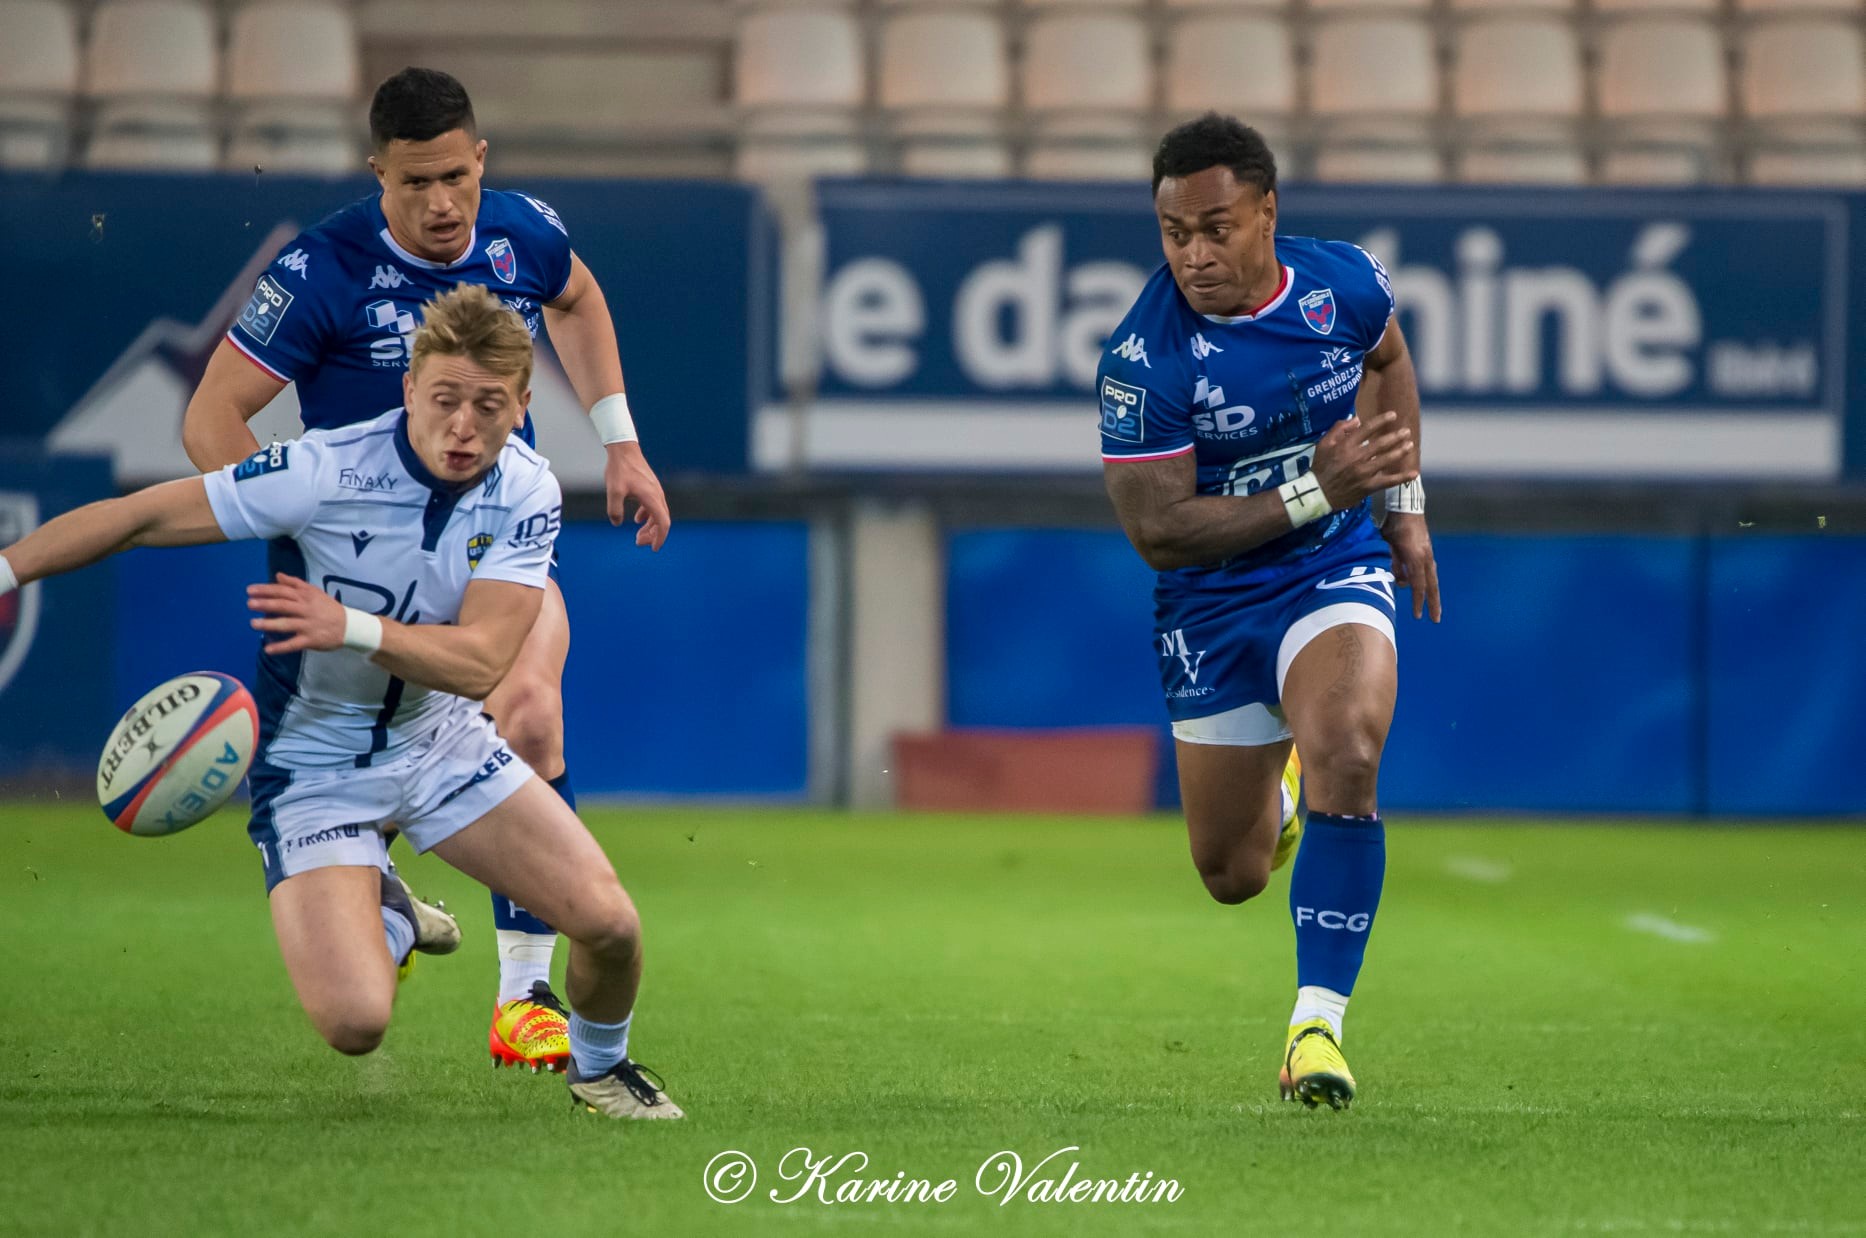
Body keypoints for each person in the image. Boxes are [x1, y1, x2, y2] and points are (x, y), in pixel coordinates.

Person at [1, 287, 681, 1119]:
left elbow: (481, 665)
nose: (463, 427)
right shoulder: (319, 470)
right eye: (445, 400)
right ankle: (389, 910)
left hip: (441, 743)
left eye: (488, 406)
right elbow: (137, 518)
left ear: (523, 407)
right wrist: (6, 570)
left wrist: (350, 627)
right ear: (409, 390)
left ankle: (600, 1072)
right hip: (314, 769)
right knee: (357, 1024)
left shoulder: (527, 489)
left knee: (612, 926)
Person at [180, 67, 670, 1072]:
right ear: (379, 174)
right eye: (416, 184)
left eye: (456, 177)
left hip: (491, 554)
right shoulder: (321, 270)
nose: (443, 204)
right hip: (368, 583)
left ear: (480, 158)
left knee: (530, 708)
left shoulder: (522, 231)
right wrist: (302, 529)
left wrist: (619, 440)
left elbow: (578, 298)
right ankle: (379, 898)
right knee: (374, 763)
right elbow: (209, 416)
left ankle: (523, 996)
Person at [1098, 114, 1441, 1110]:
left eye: (1215, 228)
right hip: (1210, 601)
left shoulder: (1346, 284)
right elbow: (1160, 531)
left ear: (1266, 213)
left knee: (1350, 747)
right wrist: (1314, 490)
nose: (1194, 255)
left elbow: (1389, 361)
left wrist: (1403, 506)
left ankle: (1315, 1027)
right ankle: (1282, 801)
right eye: (1174, 233)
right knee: (1232, 871)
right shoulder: (1144, 360)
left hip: (1331, 564)